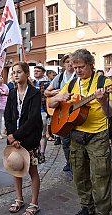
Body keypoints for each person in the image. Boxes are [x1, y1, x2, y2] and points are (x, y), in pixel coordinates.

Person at [49, 49, 112, 215]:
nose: (77, 70)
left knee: (100, 176)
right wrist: (57, 99)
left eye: (81, 67)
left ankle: (102, 211)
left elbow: (110, 113)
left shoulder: (103, 84)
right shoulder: (71, 83)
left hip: (98, 135)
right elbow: (50, 104)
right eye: (75, 67)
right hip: (76, 134)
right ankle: (87, 207)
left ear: (91, 65)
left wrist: (103, 100)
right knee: (79, 175)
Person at [4, 62, 43, 215]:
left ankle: (34, 203)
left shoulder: (34, 92)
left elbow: (33, 119)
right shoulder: (12, 93)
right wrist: (11, 136)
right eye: (14, 72)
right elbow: (8, 115)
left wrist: (17, 135)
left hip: (29, 137)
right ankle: (19, 198)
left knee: (33, 170)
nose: (15, 74)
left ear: (27, 74)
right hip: (14, 138)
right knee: (16, 168)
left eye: (19, 72)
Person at [44, 53, 76, 173]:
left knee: (75, 141)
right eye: (67, 62)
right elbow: (47, 92)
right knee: (65, 140)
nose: (70, 64)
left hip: (75, 111)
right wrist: (56, 94)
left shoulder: (77, 76)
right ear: (63, 64)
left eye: (72, 61)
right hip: (62, 113)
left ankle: (76, 167)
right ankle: (69, 163)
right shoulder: (60, 77)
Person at [33, 65, 49, 164]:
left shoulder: (47, 83)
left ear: (43, 72)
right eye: (35, 71)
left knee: (42, 134)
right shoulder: (31, 82)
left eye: (38, 71)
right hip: (33, 111)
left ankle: (42, 153)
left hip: (43, 110)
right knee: (34, 134)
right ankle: (36, 152)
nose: (36, 72)